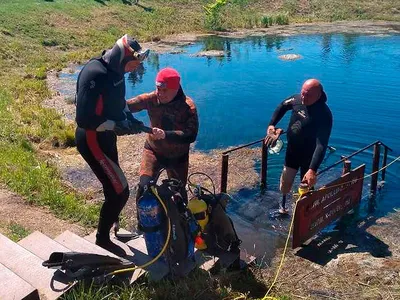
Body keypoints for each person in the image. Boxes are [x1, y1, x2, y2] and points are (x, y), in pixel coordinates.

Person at [75, 34, 149, 256]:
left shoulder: (117, 72)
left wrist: (129, 119)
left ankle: (113, 226)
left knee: (112, 186)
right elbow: (84, 119)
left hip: (106, 138)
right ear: (121, 58)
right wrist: (115, 126)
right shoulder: (94, 74)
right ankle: (102, 239)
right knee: (120, 191)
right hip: (91, 139)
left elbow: (118, 102)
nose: (133, 70)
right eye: (132, 64)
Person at [126, 67, 199, 213]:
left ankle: (181, 224)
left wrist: (166, 134)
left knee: (178, 192)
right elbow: (127, 106)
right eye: (158, 88)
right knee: (144, 186)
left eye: (165, 90)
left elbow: (191, 135)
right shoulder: (151, 99)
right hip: (154, 151)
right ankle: (143, 224)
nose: (160, 93)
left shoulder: (187, 106)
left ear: (176, 88)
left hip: (178, 157)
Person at [264, 79, 333, 214]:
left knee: (306, 189)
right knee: (285, 183)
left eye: (308, 95)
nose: (304, 98)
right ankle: (282, 209)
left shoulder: (324, 115)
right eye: (303, 93)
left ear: (319, 95)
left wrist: (312, 169)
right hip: (293, 151)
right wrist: (272, 124)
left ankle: (305, 214)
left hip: (310, 155)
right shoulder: (296, 100)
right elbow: (282, 106)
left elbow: (321, 145)